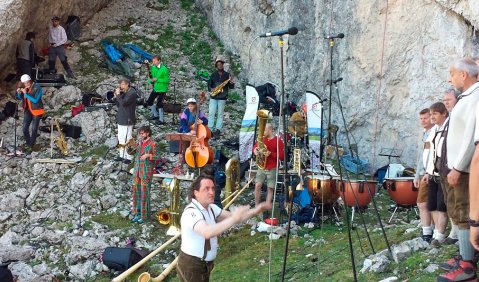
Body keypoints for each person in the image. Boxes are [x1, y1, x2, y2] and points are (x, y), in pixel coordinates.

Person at [176, 175, 269, 282]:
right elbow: (207, 232)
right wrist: (234, 218)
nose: (211, 192)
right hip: (192, 264)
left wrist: (256, 210)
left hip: (204, 264)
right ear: (196, 193)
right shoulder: (191, 212)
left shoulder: (211, 208)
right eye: (206, 189)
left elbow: (236, 218)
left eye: (213, 188)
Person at [437, 58, 479, 282]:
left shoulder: (476, 98)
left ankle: (467, 265)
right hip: (456, 169)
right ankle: (465, 255)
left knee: (464, 214)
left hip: (463, 171)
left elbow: (472, 139)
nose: (449, 77)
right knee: (458, 211)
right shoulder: (467, 97)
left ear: (464, 74)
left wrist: (458, 168)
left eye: (452, 73)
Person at [423, 102, 449, 247]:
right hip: (432, 174)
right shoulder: (433, 131)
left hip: (443, 175)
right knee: (432, 205)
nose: (432, 117)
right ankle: (435, 234)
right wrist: (427, 172)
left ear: (443, 113)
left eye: (435, 114)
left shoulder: (448, 129)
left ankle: (440, 235)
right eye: (431, 114)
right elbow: (429, 153)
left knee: (442, 206)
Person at [129, 126, 161, 224]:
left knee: (144, 194)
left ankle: (145, 216)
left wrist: (148, 155)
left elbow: (158, 156)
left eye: (142, 133)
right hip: (137, 171)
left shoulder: (153, 144)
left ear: (147, 133)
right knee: (136, 193)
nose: (141, 135)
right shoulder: (139, 143)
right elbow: (131, 153)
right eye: (140, 133)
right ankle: (137, 213)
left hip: (146, 172)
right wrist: (130, 146)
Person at [441, 89, 459, 245]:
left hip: (457, 168)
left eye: (449, 99)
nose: (446, 102)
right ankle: (456, 232)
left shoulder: (458, 115)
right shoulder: (449, 118)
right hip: (446, 167)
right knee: (450, 201)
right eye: (444, 99)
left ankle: (460, 235)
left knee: (459, 202)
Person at [253, 123, 284, 211]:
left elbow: (282, 156)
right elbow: (255, 146)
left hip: (272, 167)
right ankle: (256, 205)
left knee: (270, 188)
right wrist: (255, 150)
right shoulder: (262, 139)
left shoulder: (278, 141)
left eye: (265, 130)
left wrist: (271, 154)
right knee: (258, 185)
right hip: (262, 166)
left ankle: (267, 205)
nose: (263, 132)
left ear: (271, 130)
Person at [413, 108, 434, 243]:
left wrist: (426, 172)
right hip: (422, 173)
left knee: (422, 203)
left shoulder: (432, 133)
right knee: (428, 203)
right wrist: (416, 175)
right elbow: (420, 157)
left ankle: (427, 232)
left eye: (425, 118)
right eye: (421, 119)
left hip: (428, 172)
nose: (423, 121)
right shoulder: (424, 133)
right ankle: (430, 229)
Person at [207, 57, 234, 137]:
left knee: (220, 114)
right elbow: (209, 84)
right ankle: (210, 129)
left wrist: (232, 82)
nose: (220, 66)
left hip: (222, 97)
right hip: (214, 97)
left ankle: (218, 130)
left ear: (223, 65)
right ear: (216, 66)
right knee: (211, 113)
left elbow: (231, 87)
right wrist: (211, 89)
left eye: (221, 64)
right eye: (218, 64)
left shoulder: (227, 75)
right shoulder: (213, 74)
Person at [16, 74, 44, 150]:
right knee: (25, 128)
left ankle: (31, 145)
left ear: (29, 82)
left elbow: (35, 100)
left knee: (34, 129)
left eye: (25, 83)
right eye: (24, 83)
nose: (24, 85)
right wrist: (19, 92)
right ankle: (29, 144)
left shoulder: (37, 87)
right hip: (28, 110)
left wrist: (25, 93)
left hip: (37, 110)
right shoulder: (25, 87)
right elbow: (21, 98)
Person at [113, 78, 137, 164]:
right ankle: (121, 155)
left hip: (128, 118)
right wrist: (116, 96)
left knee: (128, 137)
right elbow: (119, 104)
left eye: (123, 84)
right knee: (120, 137)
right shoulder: (125, 93)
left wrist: (119, 95)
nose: (121, 86)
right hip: (121, 117)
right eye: (120, 84)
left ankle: (129, 156)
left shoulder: (132, 93)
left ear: (127, 84)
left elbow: (124, 103)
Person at [146, 54, 170, 124]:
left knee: (159, 104)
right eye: (153, 61)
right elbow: (150, 77)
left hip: (162, 90)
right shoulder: (153, 68)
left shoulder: (164, 69)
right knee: (149, 101)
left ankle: (161, 120)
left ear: (159, 61)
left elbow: (166, 80)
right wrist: (150, 80)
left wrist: (157, 79)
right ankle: (155, 115)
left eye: (155, 61)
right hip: (156, 88)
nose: (153, 63)